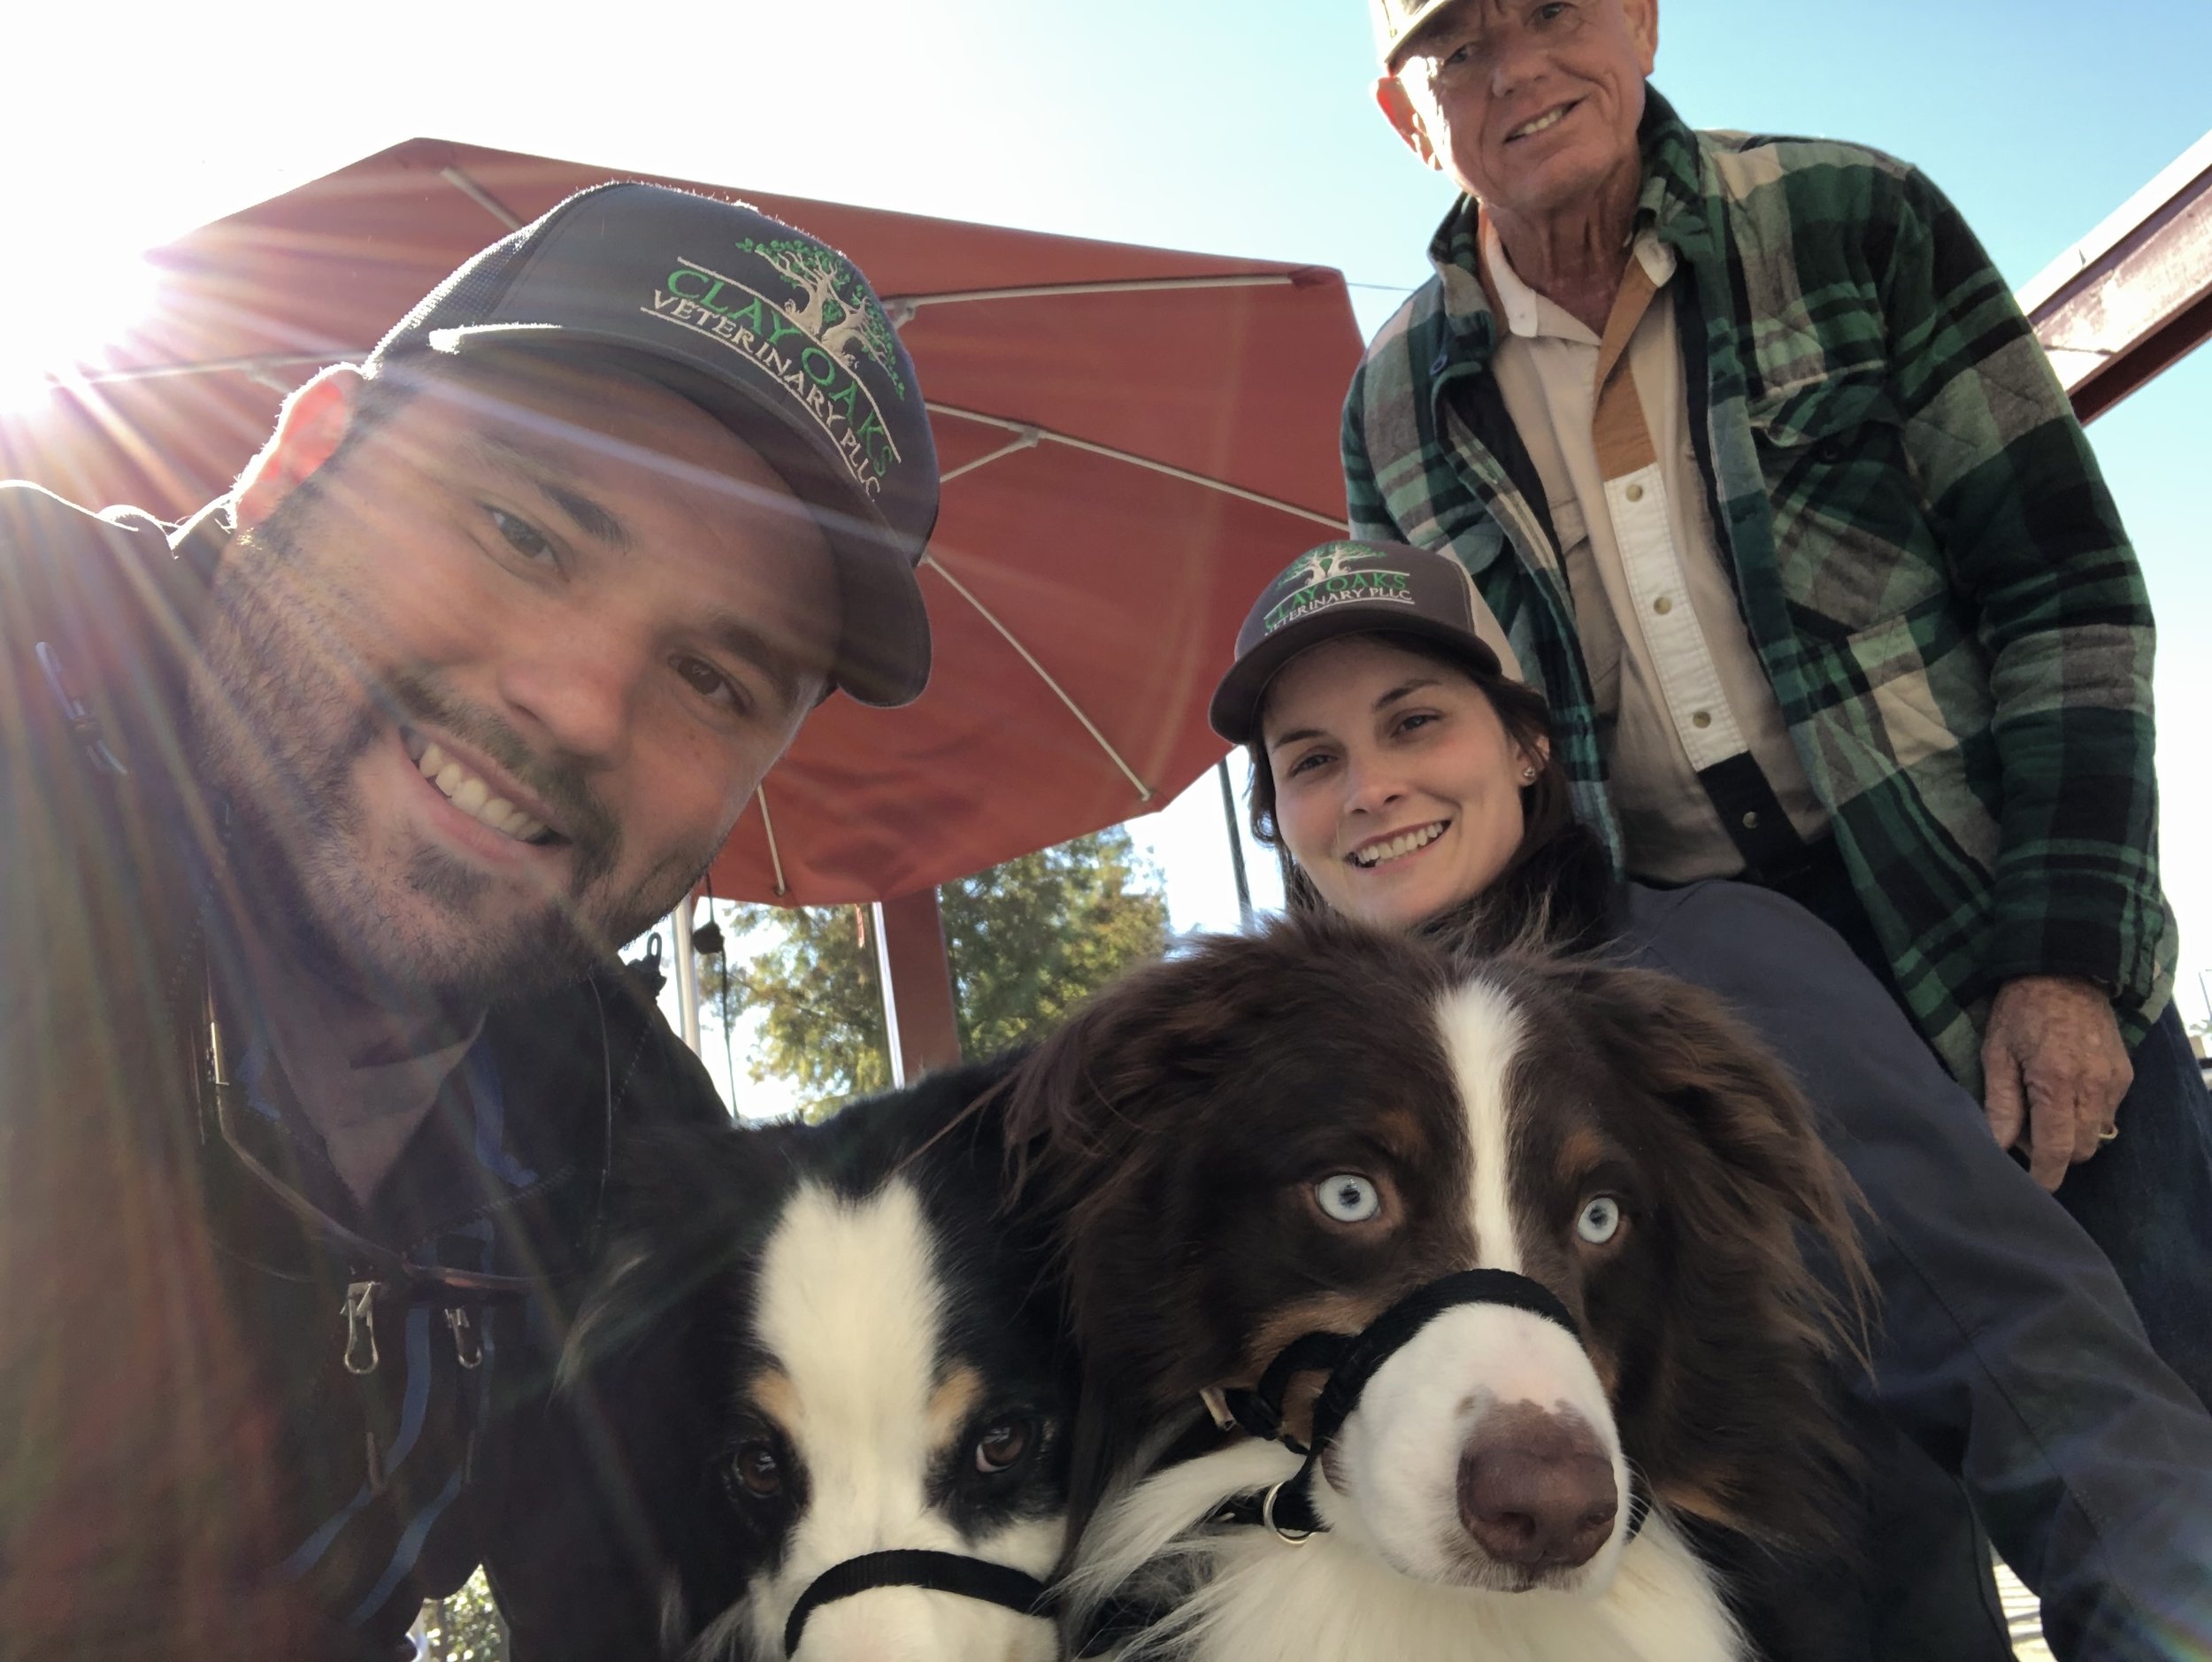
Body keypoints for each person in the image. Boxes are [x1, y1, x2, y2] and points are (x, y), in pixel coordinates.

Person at [0, 183, 938, 1658]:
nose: (581, 703)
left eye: (713, 679)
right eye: (522, 530)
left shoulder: (626, 1151)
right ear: (301, 461)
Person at [1340, 0, 2212, 1408]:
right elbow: (1456, 765)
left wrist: (2064, 960)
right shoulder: (1389, 408)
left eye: (1553, 8)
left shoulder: (1853, 218)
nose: (1517, 69)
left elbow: (2065, 589)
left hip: (1990, 910)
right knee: (1863, 1476)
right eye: (1455, 49)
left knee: (2168, 1381)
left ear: (1640, 20)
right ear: (1405, 118)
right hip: (1702, 1016)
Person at [1208, 537, 2212, 1662]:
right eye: (1311, 760)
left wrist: (2170, 1616)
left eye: (1413, 722)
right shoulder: (1265, 1092)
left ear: (1527, 747)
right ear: (1276, 817)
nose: (1368, 788)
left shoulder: (1718, 971)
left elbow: (2012, 1335)